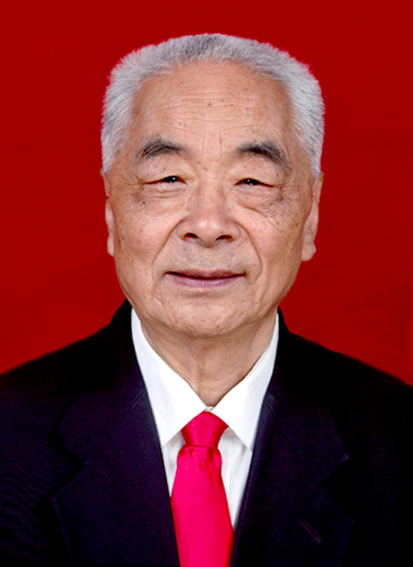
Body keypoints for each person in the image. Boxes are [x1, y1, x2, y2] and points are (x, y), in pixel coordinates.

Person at [0, 34, 410, 566]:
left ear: (310, 216)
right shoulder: (9, 437)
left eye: (253, 181)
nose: (209, 225)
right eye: (169, 178)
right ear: (112, 211)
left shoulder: (397, 443)